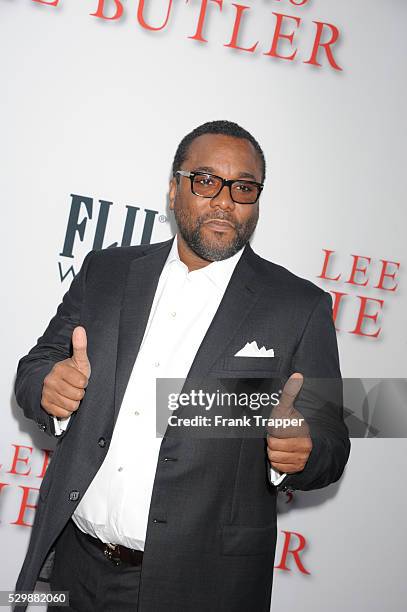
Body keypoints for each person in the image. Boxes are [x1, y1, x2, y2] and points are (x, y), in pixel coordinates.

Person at [14, 120, 350, 612]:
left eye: (244, 187)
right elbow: (36, 365)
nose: (224, 201)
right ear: (174, 191)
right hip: (75, 566)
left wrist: (302, 450)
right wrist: (48, 386)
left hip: (201, 588)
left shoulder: (298, 307)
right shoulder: (107, 272)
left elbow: (331, 443)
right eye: (206, 180)